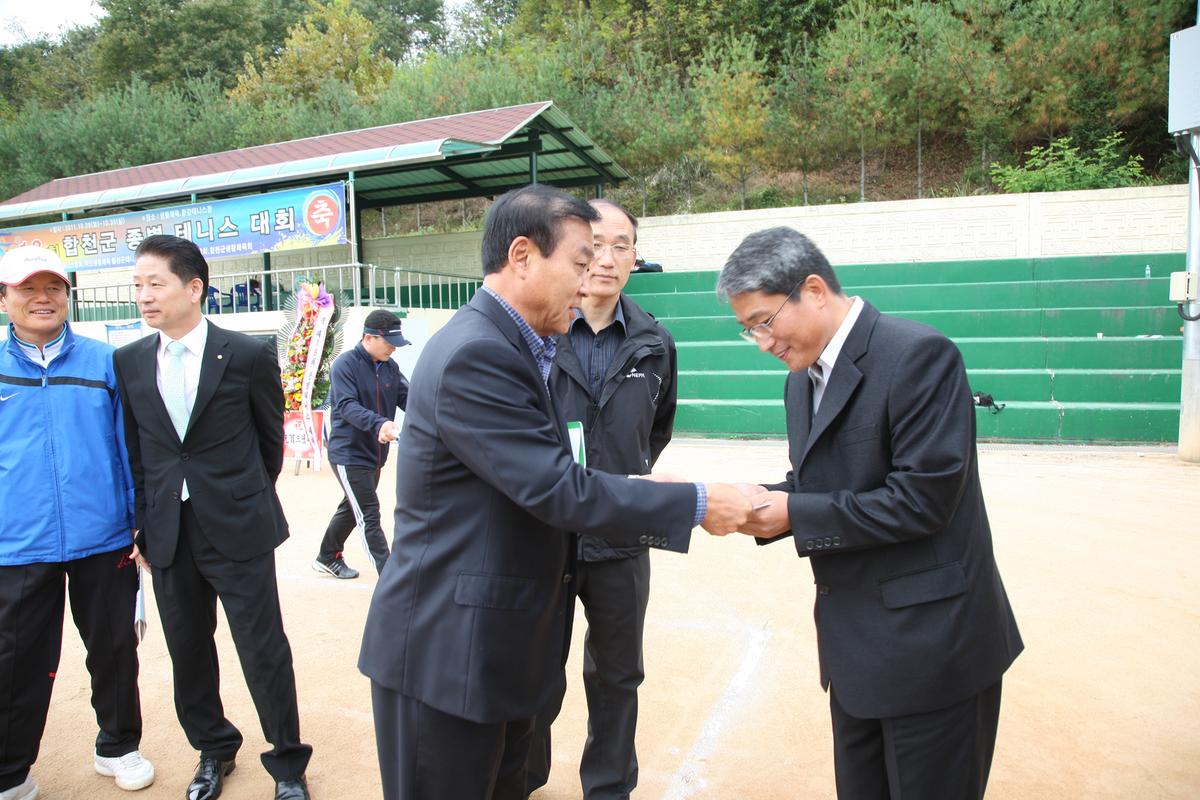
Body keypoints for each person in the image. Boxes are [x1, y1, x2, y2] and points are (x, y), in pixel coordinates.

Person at [357, 185, 751, 800]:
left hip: (494, 645)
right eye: (578, 260)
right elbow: (559, 489)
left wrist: (641, 484)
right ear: (522, 255)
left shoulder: (517, 344)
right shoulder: (478, 353)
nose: (592, 273)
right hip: (450, 656)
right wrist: (696, 503)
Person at [718, 227, 1023, 799]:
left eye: (763, 321)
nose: (761, 342)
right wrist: (743, 501)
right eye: (748, 330)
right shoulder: (800, 380)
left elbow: (921, 501)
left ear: (812, 289)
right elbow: (818, 487)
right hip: (857, 652)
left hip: (932, 652)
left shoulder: (916, 355)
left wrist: (791, 514)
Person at [112, 235, 312, 800]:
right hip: (168, 533)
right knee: (188, 649)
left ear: (193, 287)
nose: (144, 296)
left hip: (237, 527)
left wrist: (238, 498)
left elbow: (269, 443)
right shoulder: (128, 362)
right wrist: (144, 524)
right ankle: (214, 750)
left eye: (156, 283)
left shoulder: (246, 354)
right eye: (137, 285)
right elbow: (140, 452)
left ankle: (288, 764)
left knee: (263, 646)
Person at [526, 199, 675, 799]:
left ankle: (608, 787)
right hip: (543, 534)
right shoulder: (535, 333)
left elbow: (655, 431)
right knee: (533, 670)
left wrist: (623, 483)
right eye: (596, 244)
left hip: (621, 535)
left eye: (623, 246)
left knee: (617, 676)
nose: (607, 260)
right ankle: (525, 776)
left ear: (635, 258)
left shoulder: (654, 341)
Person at [0, 246, 155, 800]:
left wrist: (140, 523)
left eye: (54, 288)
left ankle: (118, 745)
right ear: (4, 298)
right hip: (16, 544)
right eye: (28, 289)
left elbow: (131, 448)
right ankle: (10, 771)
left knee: (114, 648)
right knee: (15, 660)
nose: (43, 299)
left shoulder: (104, 362)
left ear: (68, 296)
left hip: (103, 536)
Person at [313, 308, 411, 578]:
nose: (394, 348)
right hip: (349, 452)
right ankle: (391, 577)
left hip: (375, 453)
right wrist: (379, 424)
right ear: (369, 338)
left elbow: (411, 399)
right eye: (389, 342)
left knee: (352, 504)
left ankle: (326, 556)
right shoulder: (345, 365)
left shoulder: (390, 368)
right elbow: (346, 406)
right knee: (368, 511)